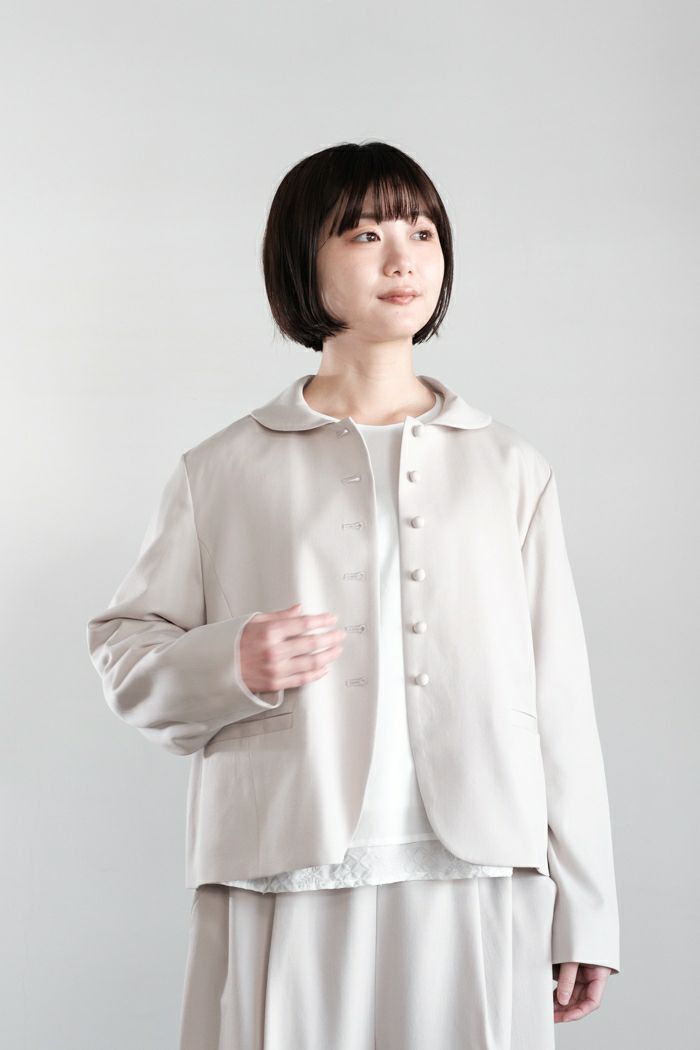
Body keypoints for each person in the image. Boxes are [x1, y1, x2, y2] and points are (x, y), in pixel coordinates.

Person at [86, 140, 620, 1049]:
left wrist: (589, 906)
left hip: (481, 866)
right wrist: (230, 660)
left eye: (423, 232)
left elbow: (560, 698)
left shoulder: (510, 467)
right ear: (303, 259)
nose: (403, 258)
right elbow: (126, 649)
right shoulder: (223, 468)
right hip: (283, 861)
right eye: (366, 234)